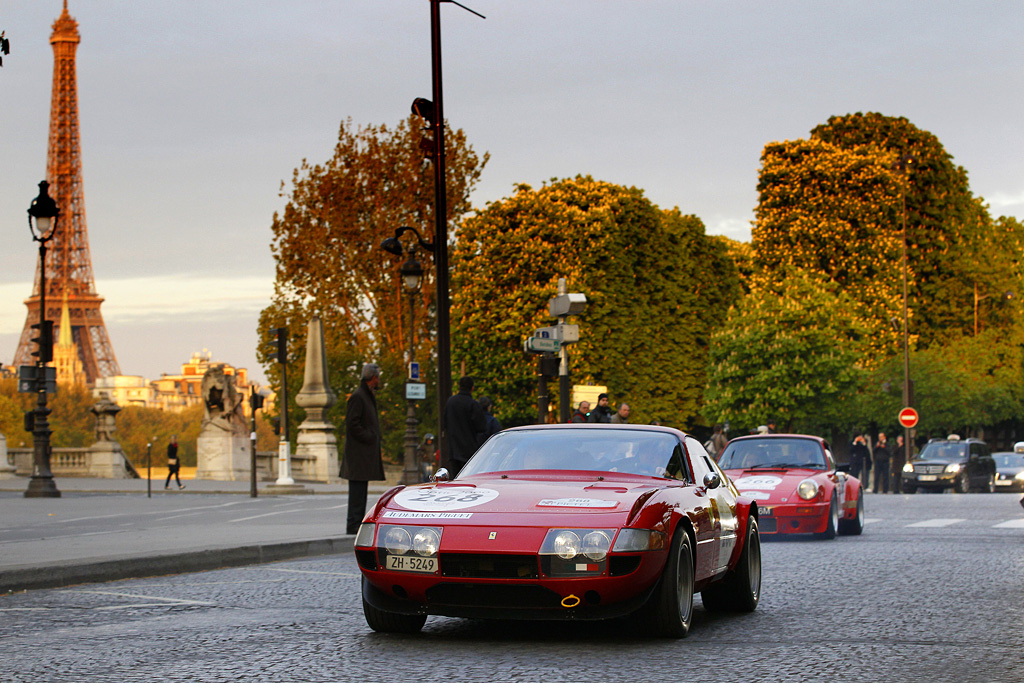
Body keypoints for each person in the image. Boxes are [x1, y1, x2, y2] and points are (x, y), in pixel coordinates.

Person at [341, 363, 385, 535]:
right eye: (378, 377)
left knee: (360, 490)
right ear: (373, 378)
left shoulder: (364, 395)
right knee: (357, 491)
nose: (379, 380)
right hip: (358, 454)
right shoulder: (359, 397)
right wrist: (370, 436)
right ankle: (353, 525)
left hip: (362, 454)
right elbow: (352, 424)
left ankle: (355, 523)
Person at [445, 376, 486, 477]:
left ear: (459, 387)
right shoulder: (473, 404)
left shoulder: (450, 402)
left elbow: (445, 423)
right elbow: (481, 427)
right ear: (472, 388)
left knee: (455, 478)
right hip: (469, 451)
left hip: (453, 449)